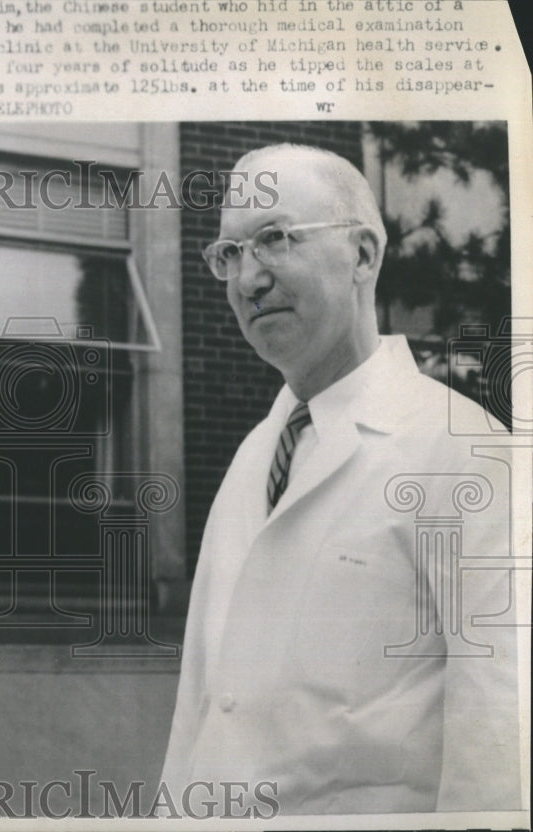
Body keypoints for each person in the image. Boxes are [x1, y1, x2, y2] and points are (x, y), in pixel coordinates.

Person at [161, 145, 520, 814]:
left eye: (274, 239)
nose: (247, 280)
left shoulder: (463, 451)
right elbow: (199, 710)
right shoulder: (253, 459)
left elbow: (500, 732)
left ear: (363, 255)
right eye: (229, 254)